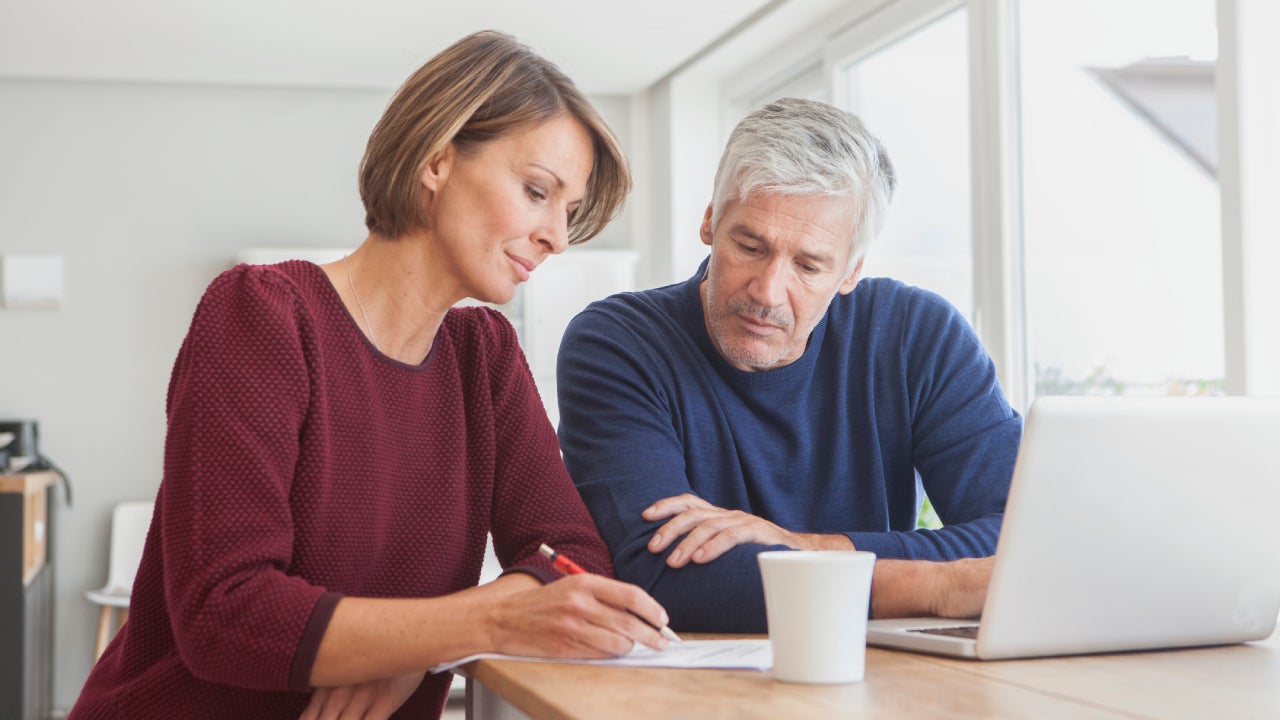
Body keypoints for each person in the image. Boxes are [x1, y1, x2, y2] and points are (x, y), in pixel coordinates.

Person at [70, 31, 671, 720]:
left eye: (569, 213)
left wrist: (414, 650)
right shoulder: (260, 316)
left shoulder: (485, 356)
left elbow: (576, 557)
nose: (558, 238)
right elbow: (224, 613)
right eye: (538, 191)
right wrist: (477, 624)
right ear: (438, 160)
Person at [556, 98, 1022, 633]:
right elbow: (662, 574)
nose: (768, 291)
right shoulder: (619, 343)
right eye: (750, 246)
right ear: (710, 221)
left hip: (878, 673)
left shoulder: (917, 336)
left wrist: (810, 546)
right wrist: (934, 586)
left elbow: (1021, 536)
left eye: (809, 265)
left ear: (850, 271)